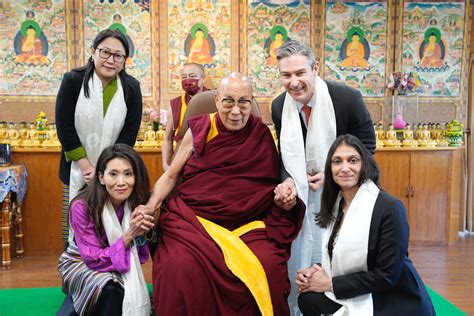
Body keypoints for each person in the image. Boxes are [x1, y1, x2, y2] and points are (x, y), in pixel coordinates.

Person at [143, 72, 304, 315]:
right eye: (229, 101)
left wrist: (285, 194)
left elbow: (268, 183)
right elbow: (170, 176)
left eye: (243, 102)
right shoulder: (202, 128)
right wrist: (149, 206)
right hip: (194, 220)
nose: (236, 110)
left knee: (269, 265)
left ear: (251, 102)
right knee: (178, 265)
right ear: (217, 100)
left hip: (249, 222)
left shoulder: (260, 134)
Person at [271, 40, 375, 315]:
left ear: (315, 68)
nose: (293, 82)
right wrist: (290, 181)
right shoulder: (279, 106)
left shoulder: (347, 99)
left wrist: (333, 178)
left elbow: (367, 149)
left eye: (300, 73)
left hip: (346, 194)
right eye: (286, 75)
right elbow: (285, 157)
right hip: (303, 199)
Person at [295, 134, 435, 315]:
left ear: (364, 165)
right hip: (362, 287)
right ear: (330, 169)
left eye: (352, 160)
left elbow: (386, 276)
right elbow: (343, 252)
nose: (344, 168)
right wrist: (317, 271)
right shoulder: (337, 205)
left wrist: (328, 283)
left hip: (391, 296)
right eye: (337, 161)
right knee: (307, 298)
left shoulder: (390, 208)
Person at [55, 29, 143, 242]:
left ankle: (112, 271)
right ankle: (77, 272)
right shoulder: (73, 80)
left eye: (118, 56)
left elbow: (129, 134)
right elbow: (64, 126)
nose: (110, 60)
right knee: (76, 227)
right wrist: (86, 168)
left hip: (114, 173)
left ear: (124, 61)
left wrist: (106, 171)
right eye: (105, 52)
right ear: (93, 52)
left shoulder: (131, 88)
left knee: (112, 228)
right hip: (77, 169)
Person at [57, 144, 154, 316]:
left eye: (128, 174)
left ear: (136, 177)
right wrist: (130, 234)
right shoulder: (82, 206)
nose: (121, 182)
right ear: (101, 177)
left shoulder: (137, 202)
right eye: (113, 174)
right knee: (110, 288)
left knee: (120, 290)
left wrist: (141, 232)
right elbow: (92, 258)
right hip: (81, 260)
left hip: (122, 258)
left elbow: (140, 255)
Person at [162, 62, 207, 171]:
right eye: (184, 77)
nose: (187, 80)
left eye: (192, 76)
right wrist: (165, 164)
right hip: (182, 158)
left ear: (203, 79)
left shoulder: (214, 100)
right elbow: (168, 138)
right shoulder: (176, 104)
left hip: (208, 158)